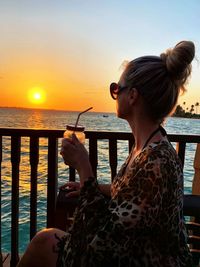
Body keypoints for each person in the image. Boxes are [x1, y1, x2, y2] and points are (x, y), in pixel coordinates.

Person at [17, 40, 195, 267]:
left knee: (44, 242)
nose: (115, 94)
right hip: (132, 252)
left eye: (115, 88)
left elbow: (102, 246)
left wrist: (84, 168)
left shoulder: (157, 161)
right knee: (46, 239)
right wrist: (94, 188)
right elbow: (134, 195)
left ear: (132, 96)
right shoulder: (148, 146)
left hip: (139, 260)